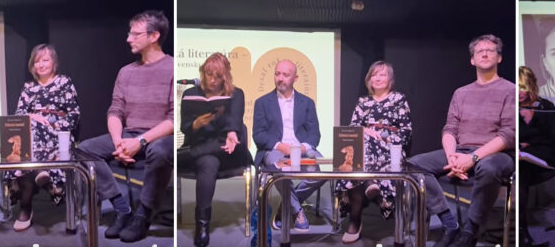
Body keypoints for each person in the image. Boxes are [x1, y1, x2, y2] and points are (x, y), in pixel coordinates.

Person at [407, 34, 516, 247]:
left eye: (490, 50)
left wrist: (472, 158)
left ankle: (470, 231)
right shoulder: (461, 93)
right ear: (472, 60)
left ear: (499, 58)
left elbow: (508, 135)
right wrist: (452, 157)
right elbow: (450, 129)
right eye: (479, 51)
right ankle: (450, 224)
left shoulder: (509, 90)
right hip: (461, 151)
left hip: (496, 154)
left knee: (489, 167)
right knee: (414, 164)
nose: (485, 54)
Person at [77, 10, 174, 243]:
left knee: (159, 150)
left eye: (135, 34)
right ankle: (122, 209)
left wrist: (139, 142)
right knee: (85, 149)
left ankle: (143, 215)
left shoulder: (173, 68)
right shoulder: (126, 72)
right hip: (128, 134)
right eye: (129, 33)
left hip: (159, 137)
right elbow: (115, 111)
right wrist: (119, 141)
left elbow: (173, 119)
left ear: (154, 36)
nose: (128, 39)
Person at [177, 52, 251, 247]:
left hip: (227, 149)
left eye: (217, 77)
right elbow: (184, 127)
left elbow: (235, 119)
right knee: (208, 162)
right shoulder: (190, 94)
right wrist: (196, 124)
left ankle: (182, 156)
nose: (212, 80)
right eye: (209, 74)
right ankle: (202, 224)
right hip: (201, 149)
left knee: (214, 150)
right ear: (203, 72)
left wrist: (232, 134)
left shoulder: (236, 94)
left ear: (225, 77)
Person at [334, 61, 413, 243]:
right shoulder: (363, 102)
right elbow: (353, 128)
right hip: (364, 150)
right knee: (358, 146)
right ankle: (370, 186)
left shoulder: (398, 99)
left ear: (390, 79)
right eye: (373, 75)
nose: (377, 78)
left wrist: (382, 136)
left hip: (390, 150)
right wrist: (365, 132)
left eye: (382, 74)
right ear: (368, 79)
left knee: (360, 155)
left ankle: (355, 220)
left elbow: (406, 132)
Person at [6, 44, 81, 231]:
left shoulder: (64, 83)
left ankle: (26, 207)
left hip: (58, 136)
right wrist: (33, 117)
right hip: (32, 137)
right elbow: (19, 115)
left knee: (27, 145)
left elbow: (74, 115)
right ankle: (43, 177)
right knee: (25, 131)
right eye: (36, 61)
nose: (40, 64)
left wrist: (50, 124)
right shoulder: (28, 87)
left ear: (54, 63)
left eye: (45, 60)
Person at [253, 59, 324, 232]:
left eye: (285, 75)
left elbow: (314, 134)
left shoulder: (307, 102)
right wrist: (280, 146)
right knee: (280, 171)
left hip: (302, 148)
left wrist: (303, 148)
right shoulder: (262, 102)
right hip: (275, 149)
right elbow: (259, 134)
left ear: (295, 78)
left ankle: (286, 207)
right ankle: (297, 211)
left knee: (322, 172)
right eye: (277, 74)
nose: (280, 78)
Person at [518, 66, 555, 247]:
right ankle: (522, 232)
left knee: (521, 170)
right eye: (516, 88)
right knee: (521, 168)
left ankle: (521, 234)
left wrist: (529, 144)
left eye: (523, 87)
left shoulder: (546, 107)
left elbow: (554, 136)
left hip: (546, 155)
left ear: (531, 86)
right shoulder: (511, 109)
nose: (519, 92)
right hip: (523, 159)